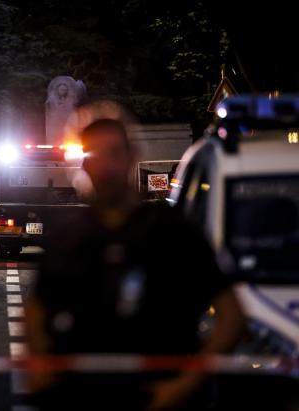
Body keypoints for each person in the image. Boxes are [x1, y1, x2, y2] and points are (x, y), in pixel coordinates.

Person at [26, 118, 244, 410]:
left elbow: (231, 317)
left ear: (131, 158)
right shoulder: (67, 237)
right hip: (81, 396)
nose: (104, 166)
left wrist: (186, 383)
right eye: (94, 155)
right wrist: (42, 365)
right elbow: (36, 311)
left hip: (160, 397)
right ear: (84, 166)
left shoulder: (175, 232)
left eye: (114, 153)